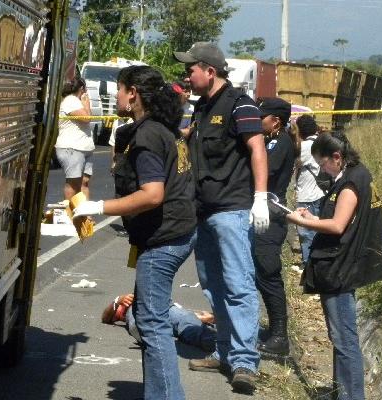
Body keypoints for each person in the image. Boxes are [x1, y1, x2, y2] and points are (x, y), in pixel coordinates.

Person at [71, 65, 197, 400]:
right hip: (175, 233)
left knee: (152, 326)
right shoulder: (162, 130)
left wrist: (97, 208)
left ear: (134, 94)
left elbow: (153, 194)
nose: (116, 95)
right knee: (147, 318)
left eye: (120, 88)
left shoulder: (147, 136)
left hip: (163, 240)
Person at [173, 42, 269, 394]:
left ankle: (244, 361)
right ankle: (225, 351)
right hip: (204, 210)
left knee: (238, 285)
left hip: (232, 209)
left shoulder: (240, 104)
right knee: (214, 285)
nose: (187, 75)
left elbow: (257, 148)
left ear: (209, 71)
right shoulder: (202, 107)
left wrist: (260, 197)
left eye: (191, 69)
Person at [286, 131, 382, 400]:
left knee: (344, 340)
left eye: (323, 164)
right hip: (342, 265)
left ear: (337, 157)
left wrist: (302, 222)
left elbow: (337, 225)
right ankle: (340, 392)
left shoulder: (350, 183)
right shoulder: (357, 174)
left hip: (340, 270)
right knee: (340, 338)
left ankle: (351, 396)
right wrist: (312, 215)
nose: (322, 170)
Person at [254, 97, 296, 356]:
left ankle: (280, 335)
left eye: (262, 118)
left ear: (276, 121)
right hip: (262, 215)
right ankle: (273, 331)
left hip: (271, 216)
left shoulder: (281, 144)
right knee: (260, 273)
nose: (258, 122)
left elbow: (264, 172)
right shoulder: (269, 141)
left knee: (268, 274)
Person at [101, 293, 217, 352]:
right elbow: (105, 318)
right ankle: (149, 334)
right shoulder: (122, 303)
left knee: (186, 320)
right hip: (137, 308)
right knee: (137, 320)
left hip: (163, 305)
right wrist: (117, 300)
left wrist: (202, 317)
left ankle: (216, 342)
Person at [55, 77, 94, 200]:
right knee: (73, 184)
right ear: (82, 89)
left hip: (85, 147)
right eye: (85, 88)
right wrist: (87, 104)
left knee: (84, 183)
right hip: (72, 147)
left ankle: (84, 215)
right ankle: (69, 215)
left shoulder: (77, 101)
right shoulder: (71, 100)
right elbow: (86, 118)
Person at [294, 115, 326, 265]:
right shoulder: (321, 142)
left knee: (306, 232)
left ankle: (308, 264)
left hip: (307, 195)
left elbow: (296, 163)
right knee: (318, 228)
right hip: (320, 192)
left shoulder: (306, 146)